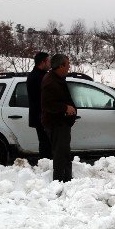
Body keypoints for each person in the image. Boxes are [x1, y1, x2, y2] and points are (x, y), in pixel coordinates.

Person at [41, 54, 77, 182]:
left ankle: (67, 179)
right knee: (60, 154)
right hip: (57, 124)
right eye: (67, 65)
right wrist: (65, 108)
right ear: (60, 66)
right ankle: (59, 181)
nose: (69, 67)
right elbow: (47, 104)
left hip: (61, 123)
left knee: (64, 153)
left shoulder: (56, 78)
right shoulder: (51, 81)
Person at [26, 51, 51, 160]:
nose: (49, 64)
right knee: (47, 144)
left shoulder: (34, 75)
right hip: (42, 116)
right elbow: (45, 98)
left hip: (39, 116)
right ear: (43, 62)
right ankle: (47, 165)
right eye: (48, 61)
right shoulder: (40, 77)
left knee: (45, 143)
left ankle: (46, 164)